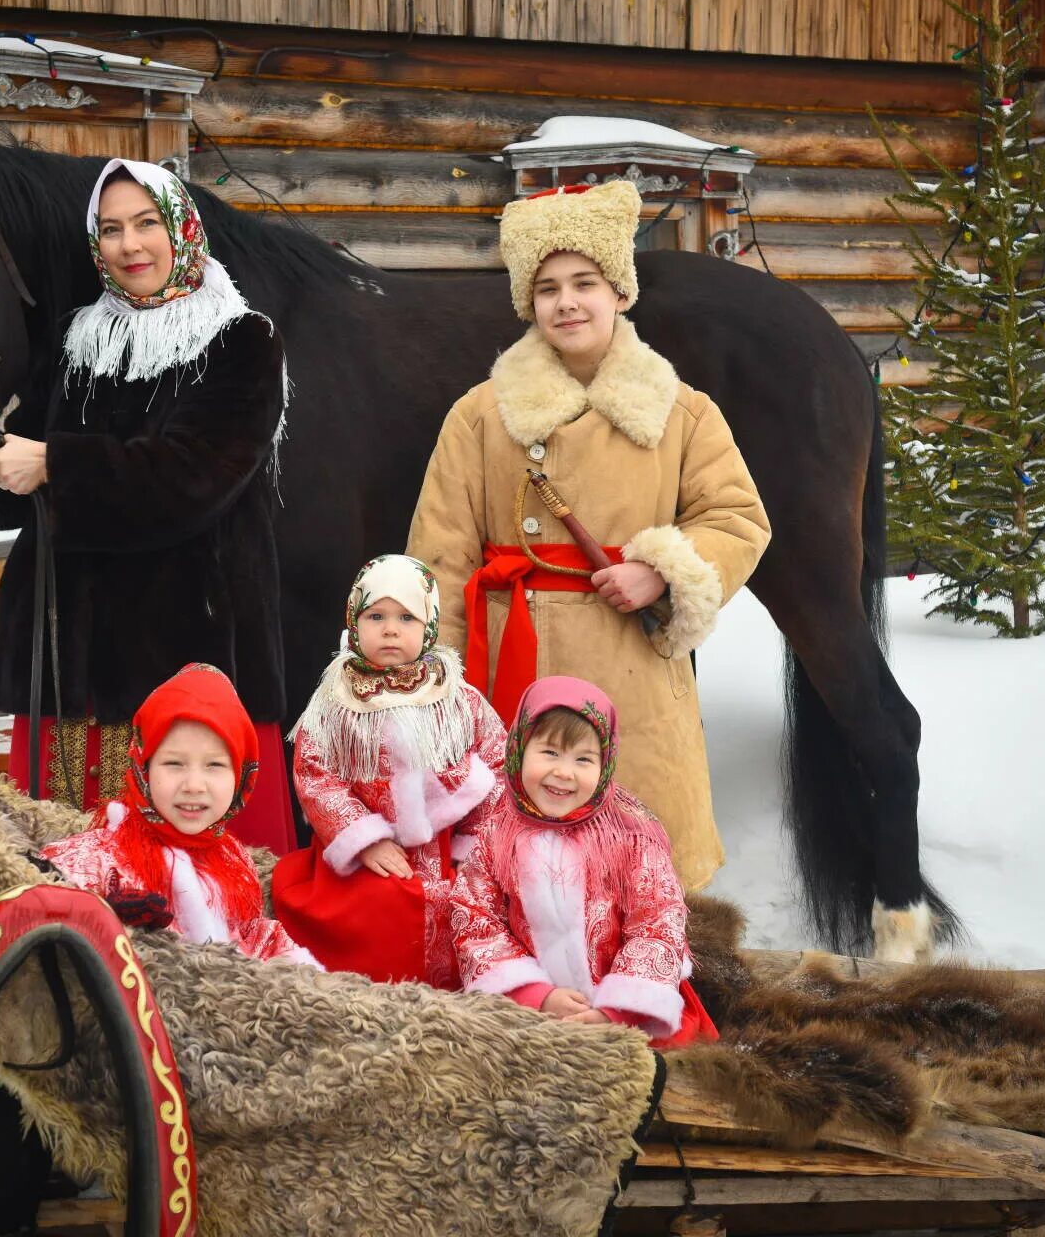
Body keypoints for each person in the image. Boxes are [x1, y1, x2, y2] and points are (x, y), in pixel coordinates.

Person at [406, 179, 770, 890]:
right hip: (514, 667)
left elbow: (736, 519)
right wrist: (439, 691)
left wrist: (660, 571)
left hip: (631, 665)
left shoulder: (682, 414)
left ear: (620, 292)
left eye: (585, 282)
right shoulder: (481, 416)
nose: (566, 302)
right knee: (517, 878)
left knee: (639, 873)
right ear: (526, 302)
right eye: (546, 288)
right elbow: (439, 556)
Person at [0, 157, 294, 853]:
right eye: (112, 228)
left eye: (147, 223)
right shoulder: (74, 343)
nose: (130, 246)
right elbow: (19, 481)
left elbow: (195, 478)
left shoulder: (241, 340)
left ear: (182, 228)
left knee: (192, 874)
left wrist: (54, 462)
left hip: (186, 644)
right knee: (70, 854)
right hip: (76, 659)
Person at [271, 554, 506, 988]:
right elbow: (315, 775)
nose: (391, 629)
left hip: (447, 850)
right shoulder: (335, 701)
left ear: (430, 626)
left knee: (469, 908)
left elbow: (496, 761)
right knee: (374, 912)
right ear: (354, 622)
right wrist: (365, 840)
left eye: (407, 617)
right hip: (368, 857)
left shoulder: (457, 697)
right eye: (375, 615)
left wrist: (474, 844)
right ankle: (376, 1000)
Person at [452, 676, 716, 1048]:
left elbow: (658, 920)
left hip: (623, 1011)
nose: (564, 772)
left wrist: (616, 1010)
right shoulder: (497, 830)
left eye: (583, 759)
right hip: (528, 1009)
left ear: (605, 764)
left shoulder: (629, 833)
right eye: (549, 753)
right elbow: (475, 917)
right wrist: (534, 994)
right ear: (518, 750)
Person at [41, 664, 316, 965]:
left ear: (241, 778)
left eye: (214, 766)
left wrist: (302, 970)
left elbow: (253, 935)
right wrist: (103, 915)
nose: (194, 786)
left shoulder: (235, 863)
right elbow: (48, 892)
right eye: (174, 764)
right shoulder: (103, 855)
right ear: (143, 767)